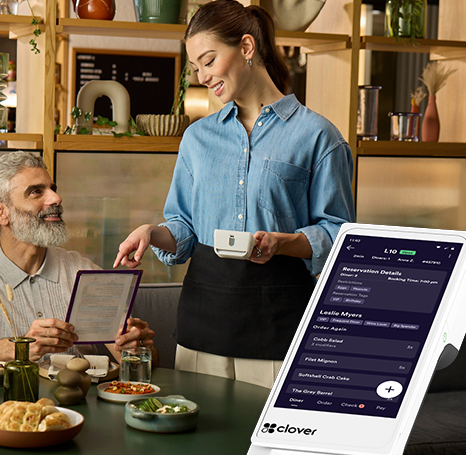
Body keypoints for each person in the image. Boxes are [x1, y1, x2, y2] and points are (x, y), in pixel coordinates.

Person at [113, 0, 355, 388]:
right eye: (196, 68)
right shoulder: (197, 138)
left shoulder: (318, 137)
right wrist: (151, 232)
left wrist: (284, 242)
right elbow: (185, 227)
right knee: (198, 428)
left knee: (266, 429)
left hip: (280, 324)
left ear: (246, 47)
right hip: (202, 324)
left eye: (209, 61)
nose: (203, 76)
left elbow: (339, 236)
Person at [0, 151, 155, 366]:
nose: (56, 198)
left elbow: (139, 359)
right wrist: (21, 348)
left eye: (52, 189)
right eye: (36, 192)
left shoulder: (85, 272)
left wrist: (137, 348)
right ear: (1, 212)